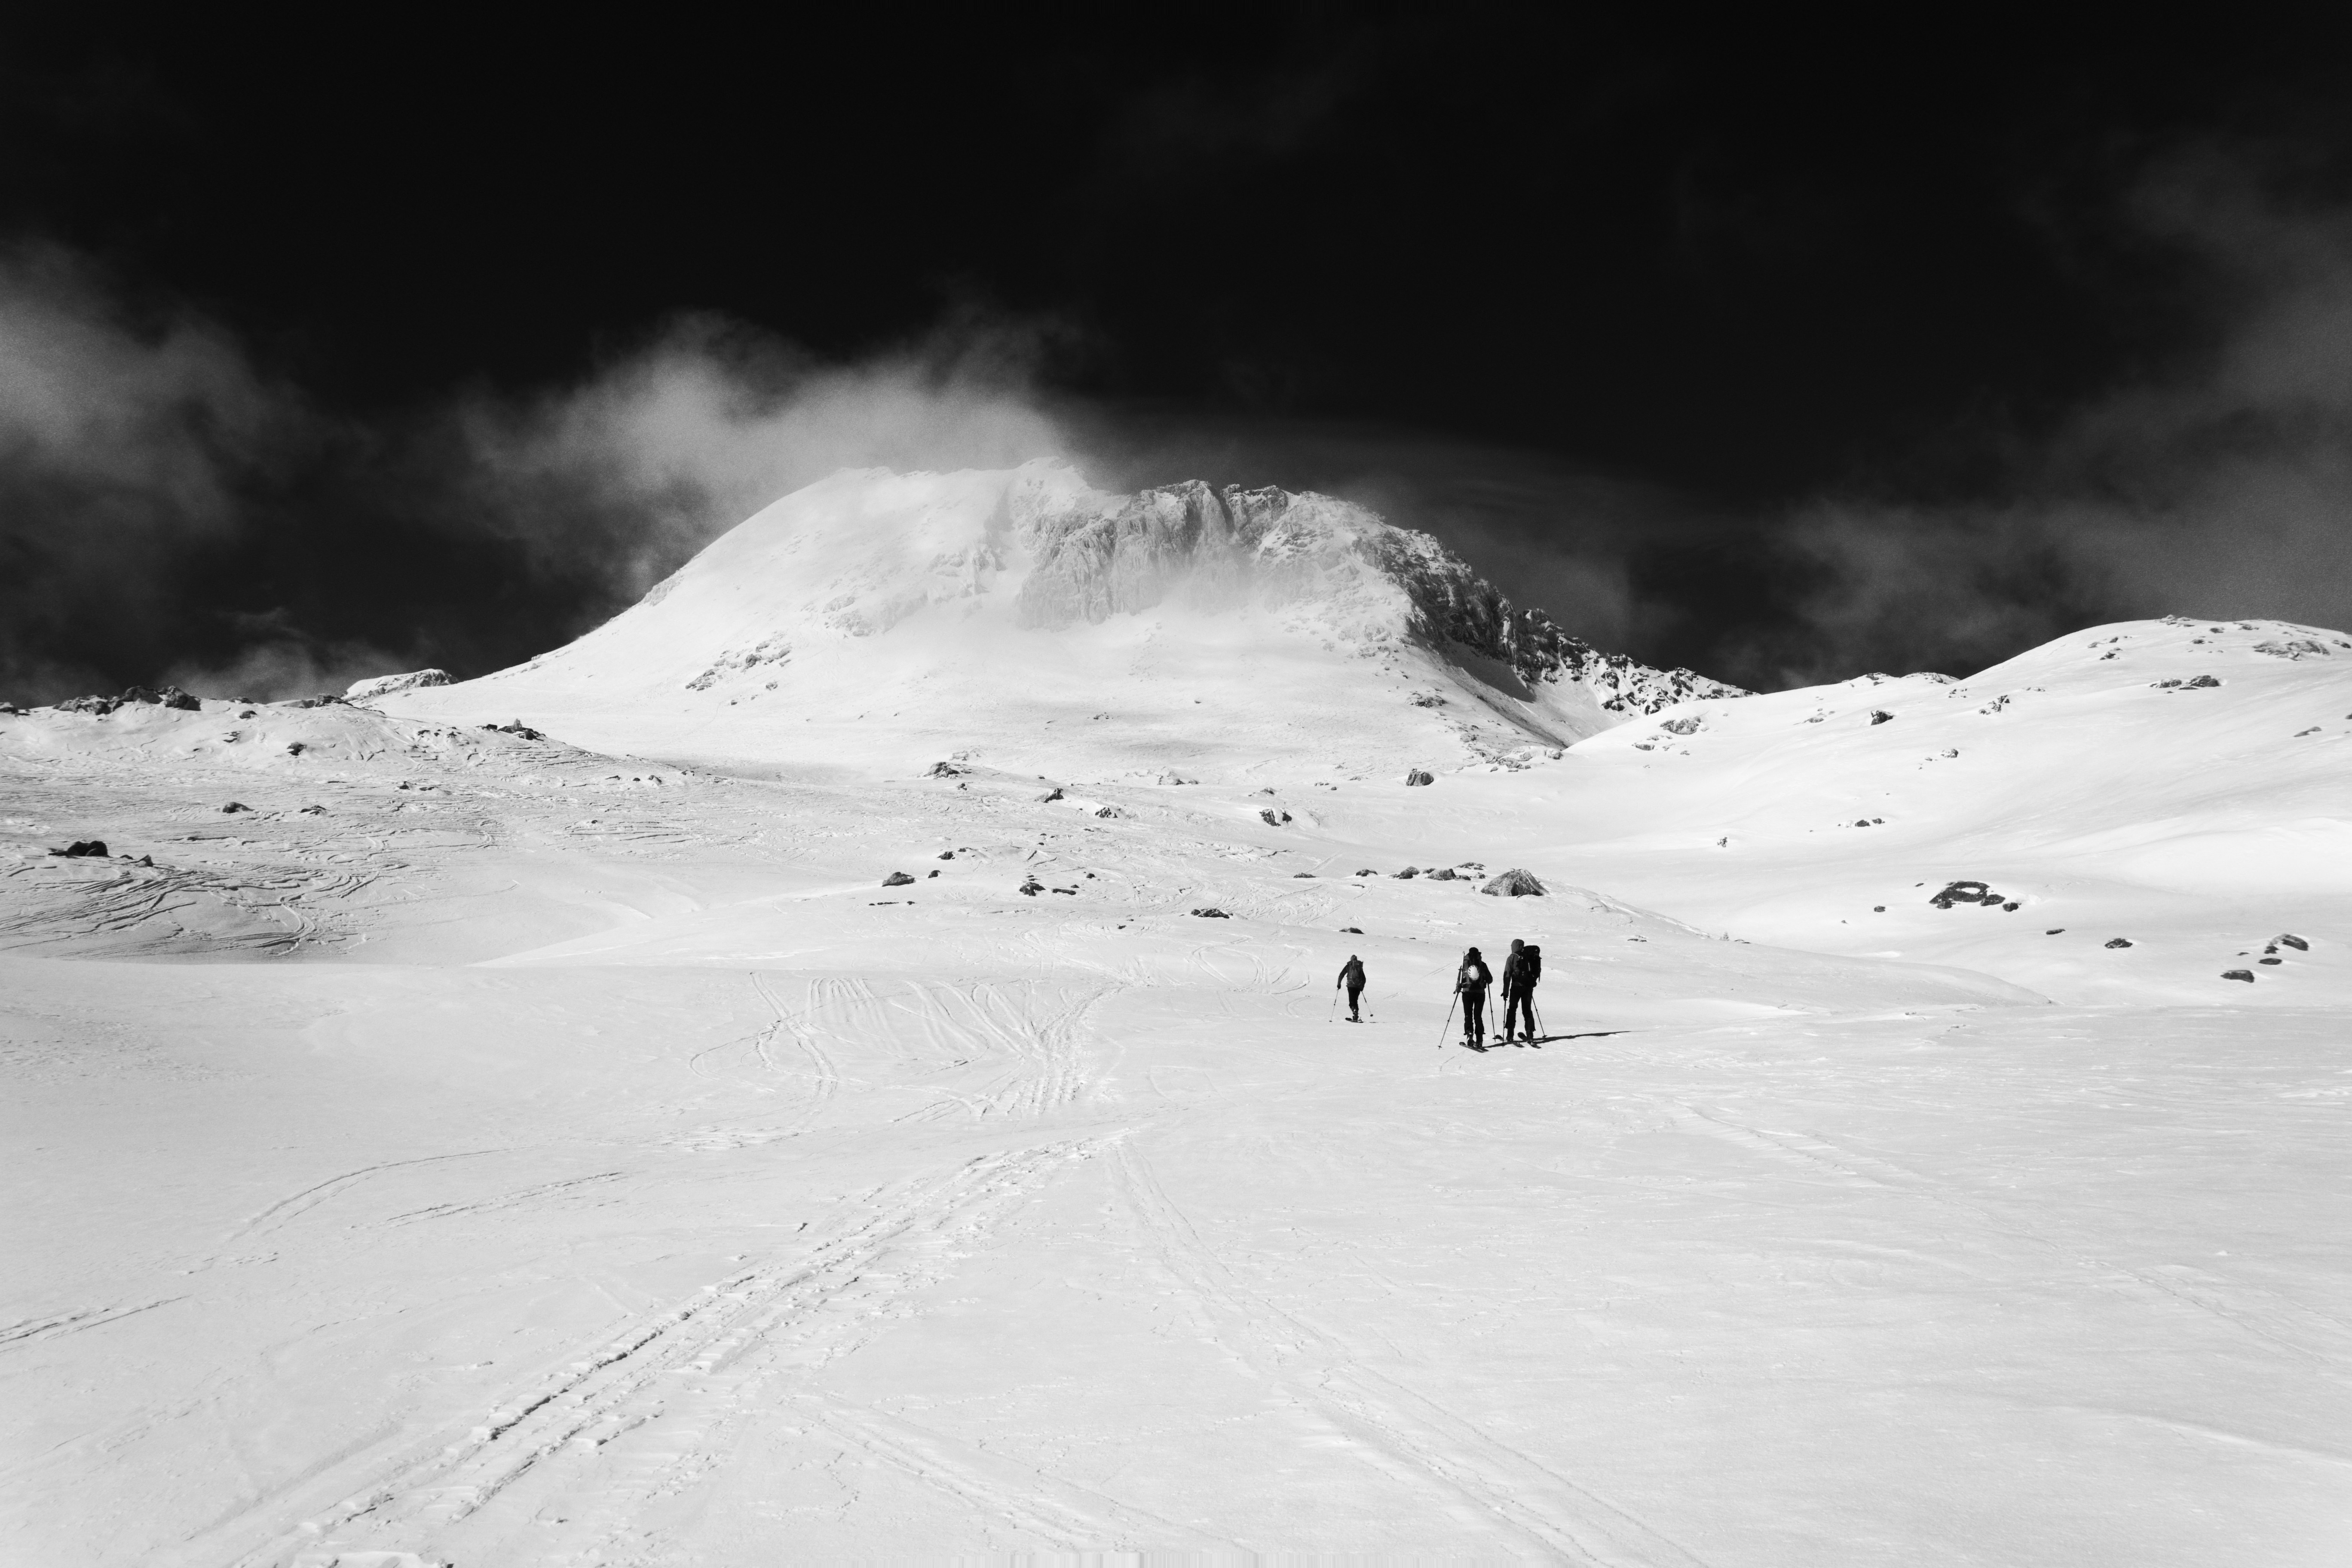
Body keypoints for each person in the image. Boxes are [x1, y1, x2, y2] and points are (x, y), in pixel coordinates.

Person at [1500, 937, 1539, 1042]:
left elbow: (1507, 975)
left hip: (1516, 987)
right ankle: (1530, 1034)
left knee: (1512, 1010)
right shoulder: (1528, 957)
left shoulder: (1512, 957)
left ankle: (1510, 1034)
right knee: (1527, 1010)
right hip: (1528, 988)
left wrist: (1505, 991)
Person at [1455, 946, 1492, 1046]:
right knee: (1478, 1016)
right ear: (1478, 954)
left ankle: (1469, 1033)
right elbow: (1490, 980)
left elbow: (1460, 979)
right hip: (1480, 994)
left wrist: (1458, 988)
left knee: (1468, 1015)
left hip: (1467, 993)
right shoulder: (1482, 965)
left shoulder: (1465, 964)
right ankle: (1480, 1038)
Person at [1335, 954, 1367, 1021]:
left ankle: (1355, 1013)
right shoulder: (1359, 967)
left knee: (1352, 1002)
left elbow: (1341, 975)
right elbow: (1364, 979)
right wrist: (1362, 987)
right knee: (1355, 1000)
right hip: (1358, 986)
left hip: (1351, 986)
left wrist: (1339, 985)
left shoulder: (1349, 966)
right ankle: (1356, 1015)